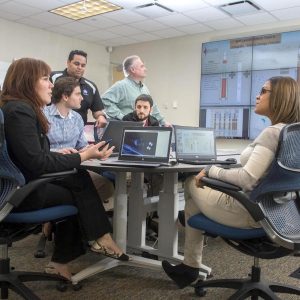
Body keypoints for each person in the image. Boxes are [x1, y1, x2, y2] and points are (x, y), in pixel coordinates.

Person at [162, 76, 300, 289]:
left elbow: (247, 179)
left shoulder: (272, 132)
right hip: (279, 212)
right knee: (192, 206)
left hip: (250, 212)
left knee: (191, 181)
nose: (257, 95)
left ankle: (189, 245)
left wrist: (210, 170)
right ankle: (189, 266)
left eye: (263, 91)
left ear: (279, 98)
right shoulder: (292, 133)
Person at [0, 58, 129, 282]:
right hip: (17, 193)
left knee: (77, 178)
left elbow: (29, 156)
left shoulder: (16, 108)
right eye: (45, 79)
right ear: (27, 81)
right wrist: (83, 156)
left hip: (22, 182)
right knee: (77, 190)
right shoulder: (20, 111)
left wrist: (62, 155)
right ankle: (96, 240)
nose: (51, 84)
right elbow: (37, 163)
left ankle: (89, 244)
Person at [44, 76, 114, 203]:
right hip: (51, 167)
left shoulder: (77, 118)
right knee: (88, 189)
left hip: (72, 167)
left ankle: (72, 218)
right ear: (65, 96)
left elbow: (82, 146)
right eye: (78, 94)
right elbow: (37, 150)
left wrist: (91, 150)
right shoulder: (43, 115)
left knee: (107, 187)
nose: (82, 98)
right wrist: (57, 151)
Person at [102, 55, 171, 126]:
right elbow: (104, 100)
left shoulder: (144, 88)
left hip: (140, 129)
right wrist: (122, 117)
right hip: (125, 129)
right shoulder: (121, 86)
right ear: (132, 69)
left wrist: (163, 122)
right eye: (142, 66)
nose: (145, 69)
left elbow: (153, 107)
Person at [51, 50, 107, 127]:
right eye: (76, 64)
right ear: (68, 62)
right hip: (53, 128)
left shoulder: (91, 86)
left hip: (79, 130)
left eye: (83, 65)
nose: (79, 68)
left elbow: (97, 110)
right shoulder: (53, 78)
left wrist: (101, 117)